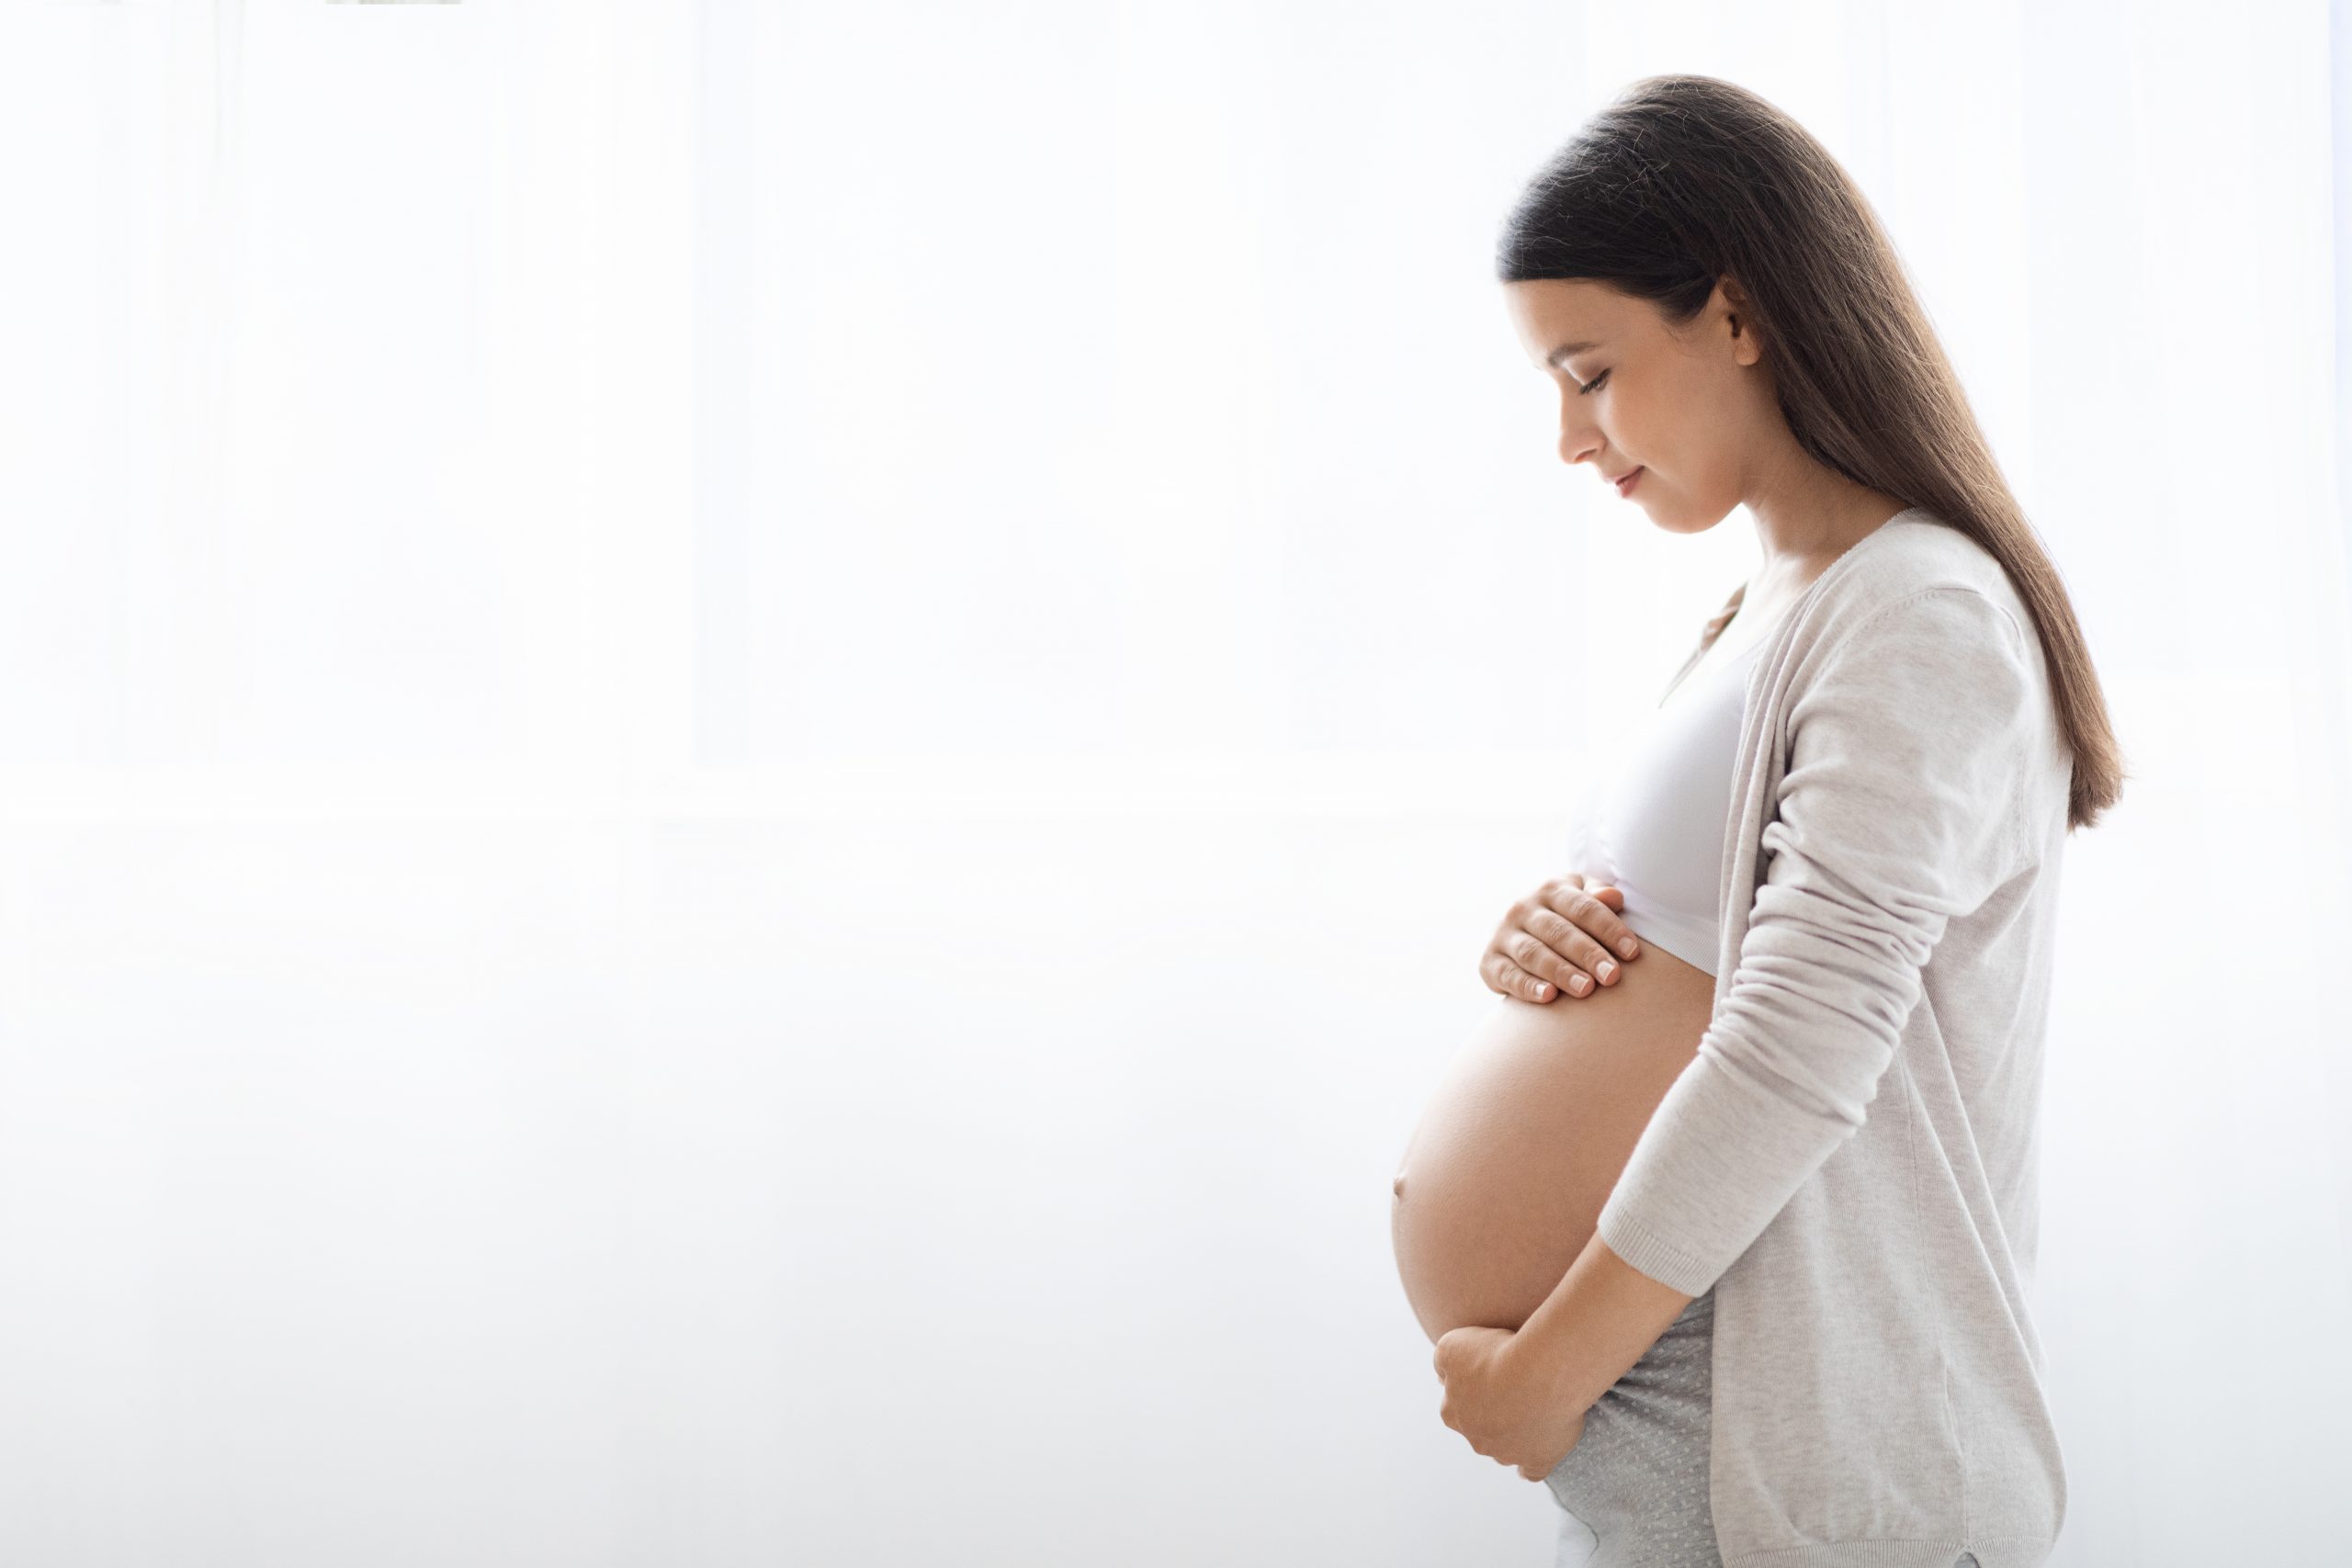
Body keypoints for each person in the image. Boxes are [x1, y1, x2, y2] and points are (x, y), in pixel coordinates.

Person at [1428, 74, 2128, 1568]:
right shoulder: (1769, 607)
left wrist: (1547, 1377)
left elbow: (1808, 1036)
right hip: (1688, 1445)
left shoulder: (1922, 610)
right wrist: (1546, 941)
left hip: (1799, 1463)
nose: (1568, 436)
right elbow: (1702, 956)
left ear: (1737, 317)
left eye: (1591, 371)